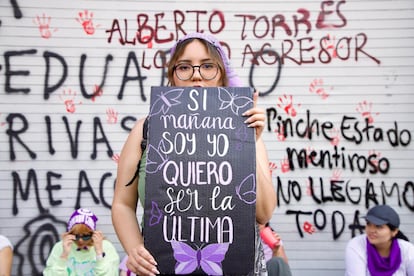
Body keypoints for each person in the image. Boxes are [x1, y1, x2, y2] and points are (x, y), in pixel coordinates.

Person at [111, 32, 277, 276]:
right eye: (185, 67)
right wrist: (134, 249)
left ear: (222, 74)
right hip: (162, 267)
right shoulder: (146, 129)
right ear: (172, 76)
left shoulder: (247, 126)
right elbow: (122, 203)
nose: (196, 74)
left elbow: (263, 213)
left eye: (208, 66)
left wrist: (250, 142)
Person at [43, 208, 120, 275]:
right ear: (70, 233)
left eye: (86, 236)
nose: (80, 240)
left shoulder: (106, 247)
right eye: (76, 236)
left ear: (93, 233)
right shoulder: (60, 246)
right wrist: (64, 255)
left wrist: (99, 253)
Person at [345, 204, 414, 276]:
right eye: (368, 224)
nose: (371, 230)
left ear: (394, 232)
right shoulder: (356, 246)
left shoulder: (407, 249)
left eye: (379, 226)